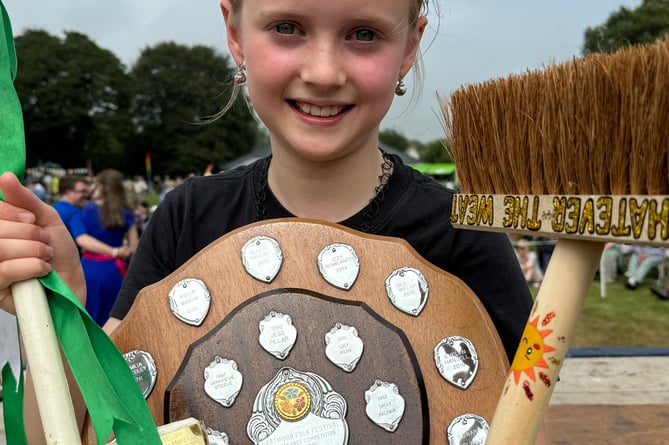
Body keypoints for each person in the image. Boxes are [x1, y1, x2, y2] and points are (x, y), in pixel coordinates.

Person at [0, 0, 541, 442]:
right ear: (234, 33)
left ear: (409, 47)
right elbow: (76, 433)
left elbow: (525, 426)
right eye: (287, 28)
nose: (324, 72)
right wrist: (57, 307)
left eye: (364, 34)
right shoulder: (187, 217)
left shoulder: (464, 234)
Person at [70, 169, 137, 326]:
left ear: (99, 186)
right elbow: (134, 247)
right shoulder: (125, 213)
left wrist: (110, 251)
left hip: (88, 269)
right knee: (114, 318)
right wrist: (118, 251)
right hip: (115, 271)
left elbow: (82, 239)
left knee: (90, 316)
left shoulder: (87, 209)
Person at [52, 175, 90, 239]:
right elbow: (81, 238)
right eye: (83, 191)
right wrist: (111, 249)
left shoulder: (53, 208)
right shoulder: (73, 212)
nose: (87, 195)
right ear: (69, 192)